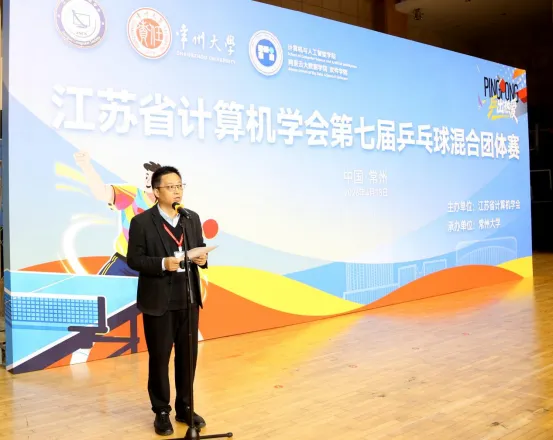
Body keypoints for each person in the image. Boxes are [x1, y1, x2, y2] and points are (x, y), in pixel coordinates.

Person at [126, 165, 207, 436]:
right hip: (159, 300)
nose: (177, 191)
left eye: (180, 186)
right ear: (156, 191)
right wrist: (163, 263)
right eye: (171, 187)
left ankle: (185, 407)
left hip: (188, 297)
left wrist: (202, 258)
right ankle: (161, 410)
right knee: (160, 359)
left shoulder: (190, 218)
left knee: (188, 357)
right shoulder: (141, 222)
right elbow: (134, 259)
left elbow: (199, 247)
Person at [74, 150, 159, 276]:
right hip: (123, 262)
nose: (148, 181)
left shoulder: (170, 207)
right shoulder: (133, 194)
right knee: (98, 287)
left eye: (152, 178)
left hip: (150, 268)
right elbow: (101, 192)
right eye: (147, 176)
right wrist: (86, 166)